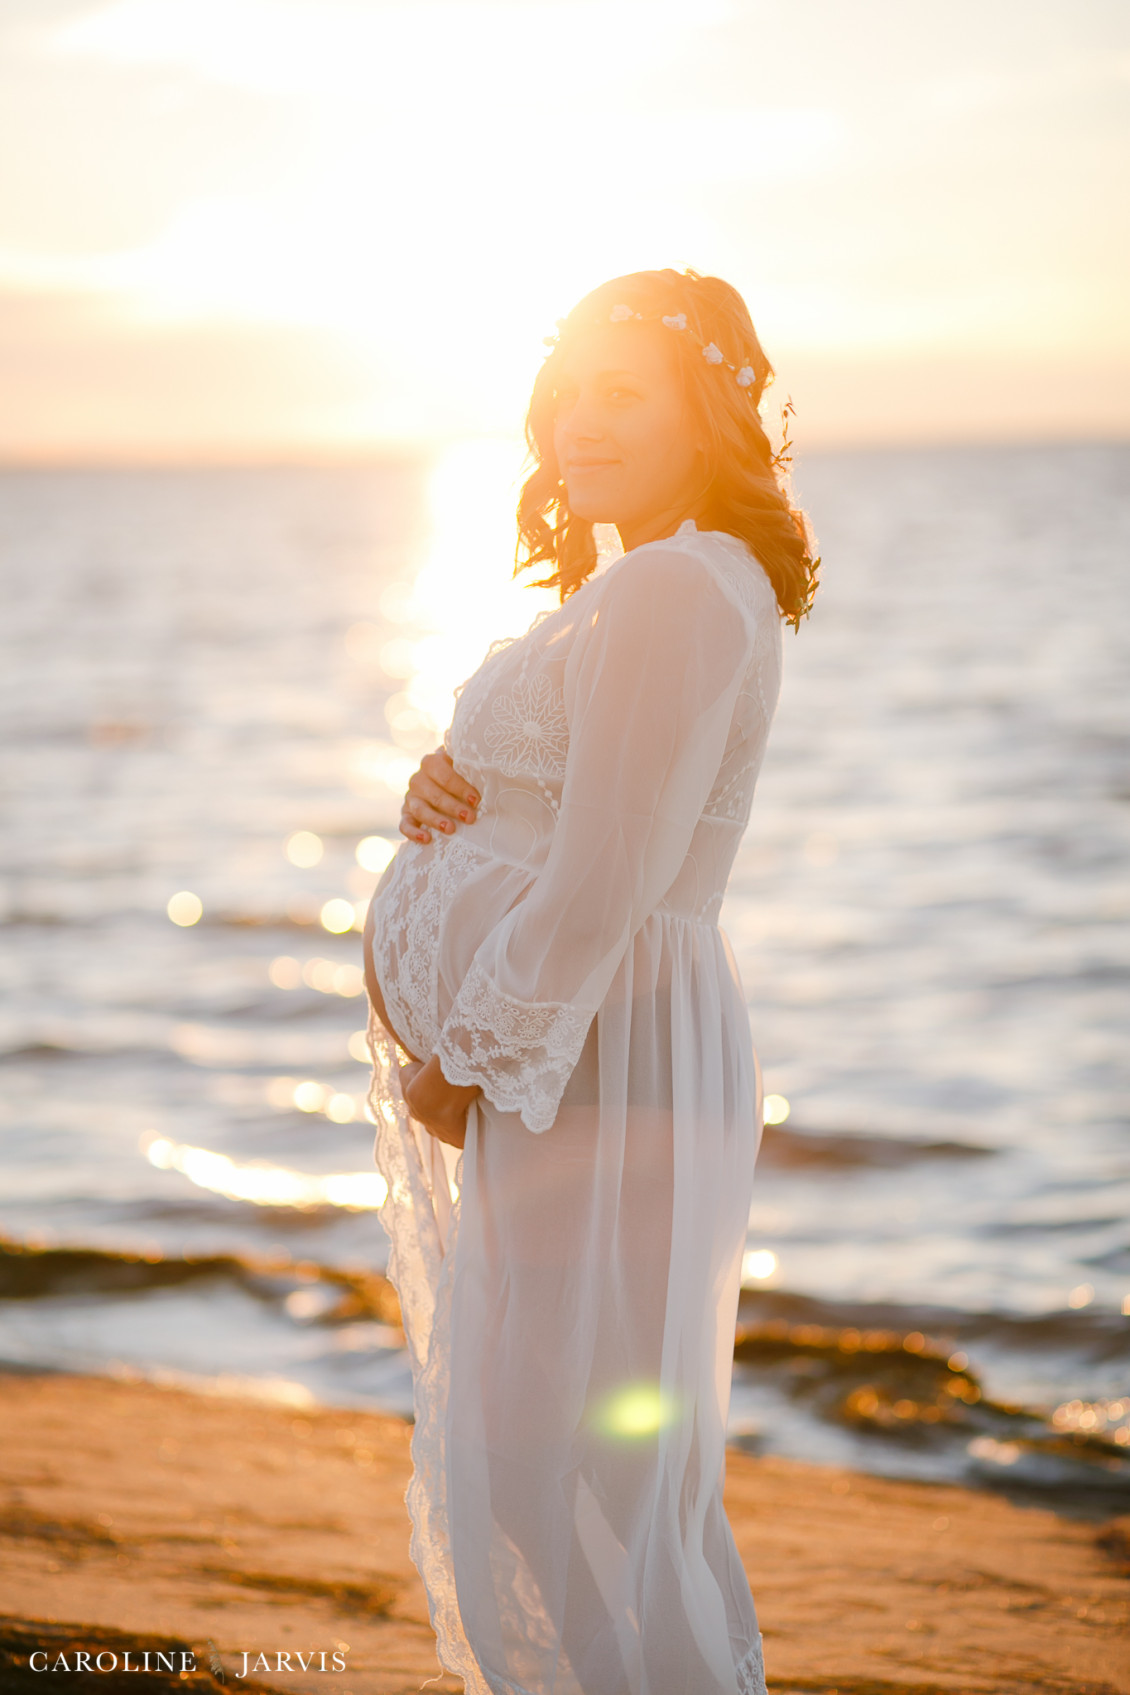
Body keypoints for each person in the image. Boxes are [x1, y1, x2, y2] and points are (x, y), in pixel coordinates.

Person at [362, 267, 819, 1695]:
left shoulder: (681, 587)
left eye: (623, 391)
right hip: (583, 1045)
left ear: (709, 407)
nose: (580, 421)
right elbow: (575, 810)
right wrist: (455, 788)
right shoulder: (643, 580)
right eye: (569, 389)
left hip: (596, 1048)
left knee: (567, 1451)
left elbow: (610, 874)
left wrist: (469, 1059)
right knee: (553, 1445)